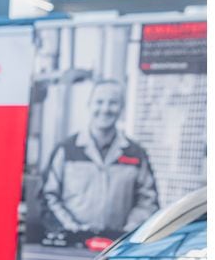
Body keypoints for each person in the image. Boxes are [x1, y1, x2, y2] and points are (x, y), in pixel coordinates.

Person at [40, 78, 159, 237]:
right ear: (89, 105)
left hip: (117, 248)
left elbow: (148, 201)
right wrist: (72, 229)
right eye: (99, 102)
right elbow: (48, 196)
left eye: (113, 103)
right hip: (72, 246)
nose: (105, 109)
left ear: (122, 108)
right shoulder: (66, 150)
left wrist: (129, 230)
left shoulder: (136, 154)